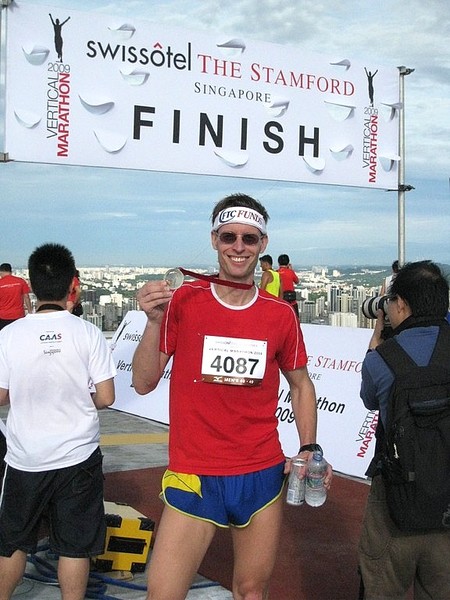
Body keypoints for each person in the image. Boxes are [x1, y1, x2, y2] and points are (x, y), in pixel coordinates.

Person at [132, 193, 332, 600]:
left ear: (262, 243)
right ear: (214, 240)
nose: (238, 247)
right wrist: (152, 323)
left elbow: (301, 384)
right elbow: (143, 382)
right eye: (229, 237)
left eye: (249, 238)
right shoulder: (183, 301)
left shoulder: (280, 314)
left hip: (259, 471)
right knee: (163, 593)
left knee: (251, 591)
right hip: (195, 472)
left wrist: (309, 447)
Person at [0, 243, 116, 600]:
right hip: (78, 457)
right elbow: (106, 397)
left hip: (25, 457)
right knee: (74, 547)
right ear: (72, 285)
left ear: (32, 286)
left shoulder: (8, 335)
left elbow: (0, 397)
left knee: (12, 542)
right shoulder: (88, 333)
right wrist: (79, 398)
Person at [358, 260, 450, 599]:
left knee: (383, 587)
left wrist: (377, 339)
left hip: (395, 501)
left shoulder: (382, 360)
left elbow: (369, 399)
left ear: (401, 305)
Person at [0, 263, 32, 330]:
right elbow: (26, 297)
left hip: (3, 316)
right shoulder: (20, 281)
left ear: (1, 271)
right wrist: (30, 312)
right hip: (19, 315)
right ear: (10, 271)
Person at [277, 254, 300, 319]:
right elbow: (297, 281)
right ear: (288, 263)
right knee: (295, 318)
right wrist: (291, 270)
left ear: (279, 263)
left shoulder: (276, 273)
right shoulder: (291, 272)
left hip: (281, 300)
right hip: (292, 300)